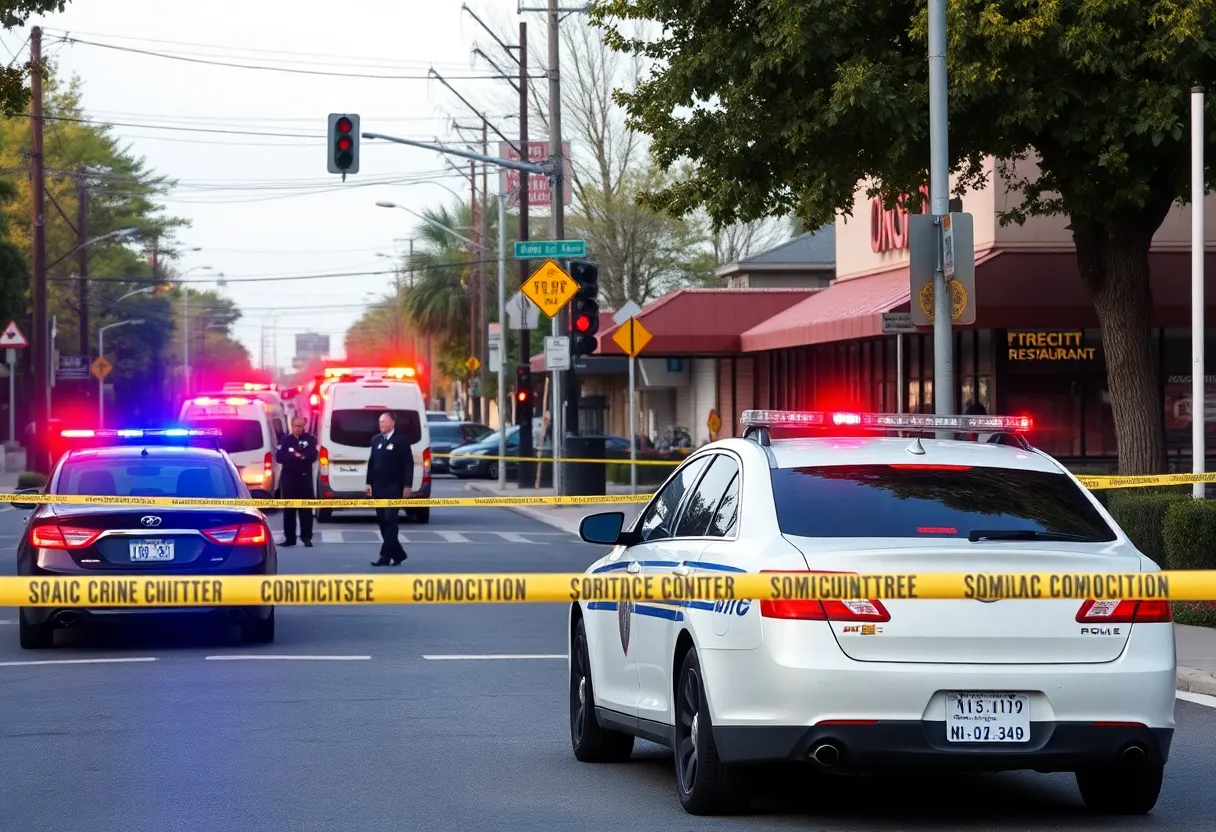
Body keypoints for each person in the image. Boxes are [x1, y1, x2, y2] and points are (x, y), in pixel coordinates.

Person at [366, 410, 413, 566]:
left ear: (392, 423)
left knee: (390, 520)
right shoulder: (376, 440)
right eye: (379, 422)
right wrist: (368, 483)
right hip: (379, 486)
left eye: (384, 421)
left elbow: (408, 464)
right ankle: (398, 554)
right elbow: (372, 463)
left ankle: (384, 556)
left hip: (395, 486)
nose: (381, 424)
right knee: (382, 521)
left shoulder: (402, 440)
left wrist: (407, 485)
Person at [276, 416, 318, 547]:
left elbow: (311, 455)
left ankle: (306, 537)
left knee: (305, 509)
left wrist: (299, 455)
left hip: (304, 479)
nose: (297, 428)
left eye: (300, 426)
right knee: (289, 510)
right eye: (295, 426)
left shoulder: (310, 440)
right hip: (289, 479)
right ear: (292, 426)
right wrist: (294, 454)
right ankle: (290, 538)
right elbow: (279, 457)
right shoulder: (285, 440)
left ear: (304, 427)